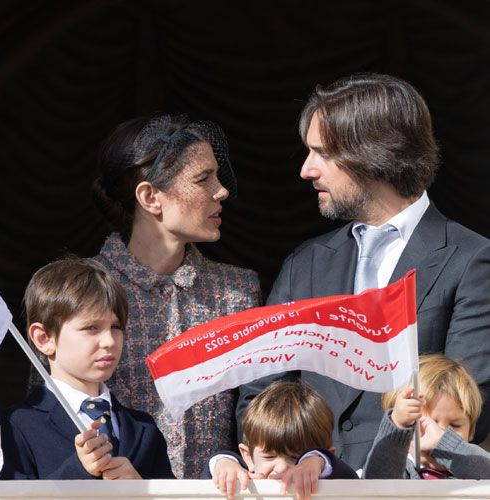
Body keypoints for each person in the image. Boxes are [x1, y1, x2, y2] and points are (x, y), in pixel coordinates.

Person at [237, 73, 490, 471]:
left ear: (374, 154)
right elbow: (259, 392)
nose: (307, 170)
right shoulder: (306, 262)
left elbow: (473, 401)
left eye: (322, 153)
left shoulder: (472, 259)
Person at [92, 114, 262, 478]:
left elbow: (256, 410)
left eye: (217, 176)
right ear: (150, 196)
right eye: (203, 179)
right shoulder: (83, 288)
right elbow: (54, 414)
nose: (222, 191)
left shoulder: (237, 292)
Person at [0, 257, 174, 480]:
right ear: (44, 338)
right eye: (91, 328)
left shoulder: (143, 427)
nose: (109, 341)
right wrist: (79, 473)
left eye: (116, 327)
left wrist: (142, 491)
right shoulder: (15, 426)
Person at [205, 381, 357, 500]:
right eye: (269, 456)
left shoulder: (328, 478)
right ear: (247, 456)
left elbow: (352, 481)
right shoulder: (247, 489)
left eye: (297, 457)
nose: (282, 467)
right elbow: (203, 485)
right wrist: (223, 463)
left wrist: (318, 461)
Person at [364, 354, 490, 479]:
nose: (439, 432)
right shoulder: (398, 468)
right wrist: (397, 428)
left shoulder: (473, 469)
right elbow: (377, 483)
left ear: (471, 431)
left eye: (455, 425)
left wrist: (446, 443)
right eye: (425, 423)